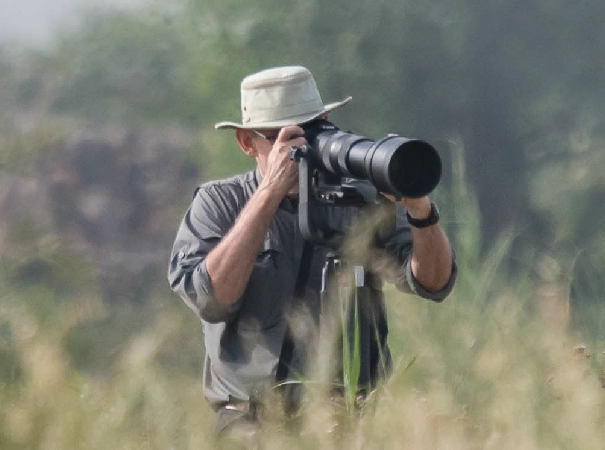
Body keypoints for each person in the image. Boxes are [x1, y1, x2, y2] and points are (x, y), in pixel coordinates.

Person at [167, 66, 457, 435]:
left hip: (349, 421)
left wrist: (418, 207)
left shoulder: (363, 198)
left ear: (326, 122)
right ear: (246, 142)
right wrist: (269, 194)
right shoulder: (220, 203)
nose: (299, 149)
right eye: (280, 138)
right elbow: (212, 300)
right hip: (252, 424)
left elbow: (434, 283)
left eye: (310, 132)